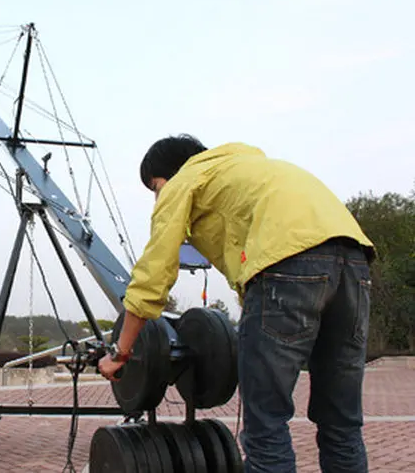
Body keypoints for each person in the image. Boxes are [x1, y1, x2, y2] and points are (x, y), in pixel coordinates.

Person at [98, 135, 374, 473]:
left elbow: (153, 275)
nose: (157, 200)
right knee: (341, 422)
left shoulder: (186, 179)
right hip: (355, 264)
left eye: (155, 188)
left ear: (169, 173)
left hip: (285, 265)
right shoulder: (250, 168)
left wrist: (121, 353)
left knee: (266, 425)